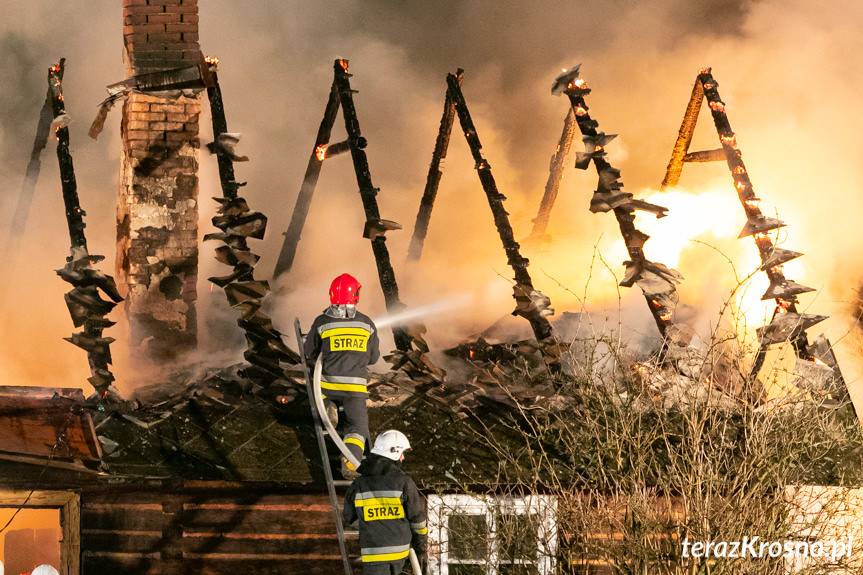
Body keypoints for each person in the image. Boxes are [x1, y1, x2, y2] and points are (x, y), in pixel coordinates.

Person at [304, 273, 380, 477]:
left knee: (320, 390)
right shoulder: (367, 324)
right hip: (355, 389)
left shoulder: (322, 322)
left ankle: (328, 405)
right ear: (355, 295)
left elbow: (309, 353)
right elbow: (373, 358)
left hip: (328, 384)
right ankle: (350, 463)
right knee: (357, 426)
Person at [344, 430, 428, 575]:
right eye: (402, 453)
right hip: (401, 555)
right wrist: (421, 548)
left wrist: (370, 522)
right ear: (394, 452)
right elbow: (417, 520)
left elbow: (349, 517)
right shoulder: (404, 482)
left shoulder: (358, 484)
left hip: (372, 556)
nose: (403, 457)